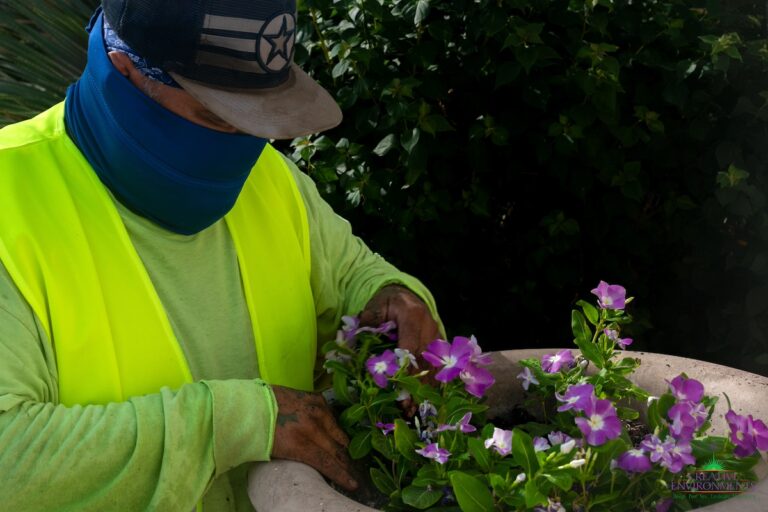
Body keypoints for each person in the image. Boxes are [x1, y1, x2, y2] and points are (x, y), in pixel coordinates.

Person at [0, 1, 442, 510]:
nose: (245, 143)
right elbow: (10, 458)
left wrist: (391, 294)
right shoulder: (12, 198)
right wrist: (234, 424)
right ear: (125, 72)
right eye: (217, 115)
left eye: (256, 118)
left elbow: (352, 275)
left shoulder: (271, 181)